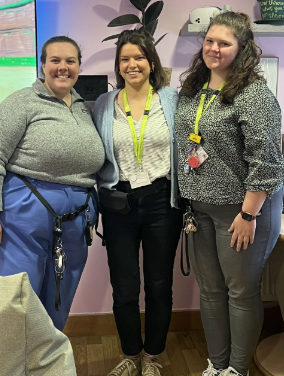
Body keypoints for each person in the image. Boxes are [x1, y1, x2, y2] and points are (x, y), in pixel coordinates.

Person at [175, 11, 284, 376]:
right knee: (210, 292)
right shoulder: (193, 89)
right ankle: (216, 365)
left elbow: (266, 162)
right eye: (209, 41)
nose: (214, 48)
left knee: (240, 292)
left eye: (224, 43)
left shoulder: (254, 95)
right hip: (199, 211)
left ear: (242, 49)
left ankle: (237, 370)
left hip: (241, 214)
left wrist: (249, 214)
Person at [0, 35, 105, 330]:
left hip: (76, 218)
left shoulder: (86, 109)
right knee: (18, 298)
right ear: (42, 65)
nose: (63, 67)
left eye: (70, 61)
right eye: (55, 61)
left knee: (59, 296)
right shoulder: (21, 102)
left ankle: (46, 362)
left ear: (79, 66)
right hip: (22, 217)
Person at [92, 30, 181, 376]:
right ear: (118, 65)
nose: (132, 64)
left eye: (139, 57)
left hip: (163, 203)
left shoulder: (172, 99)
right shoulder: (104, 103)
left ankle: (153, 357)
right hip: (119, 206)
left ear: (151, 62)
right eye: (125, 59)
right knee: (124, 286)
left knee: (159, 284)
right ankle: (130, 354)